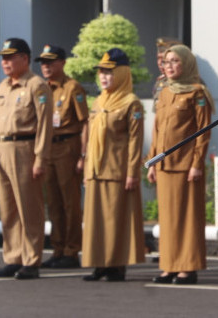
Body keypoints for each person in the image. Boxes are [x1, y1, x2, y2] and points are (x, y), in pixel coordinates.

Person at [147, 44, 213, 285]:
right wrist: (152, 162)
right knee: (167, 219)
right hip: (164, 167)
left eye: (175, 61)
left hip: (186, 166)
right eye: (166, 61)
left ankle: (187, 268)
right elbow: (156, 130)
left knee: (187, 218)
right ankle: (169, 266)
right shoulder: (164, 91)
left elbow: (203, 132)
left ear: (186, 64)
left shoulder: (197, 93)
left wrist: (197, 163)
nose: (169, 66)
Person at [82, 48, 145, 282]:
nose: (104, 77)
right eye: (101, 72)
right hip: (97, 171)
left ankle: (116, 266)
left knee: (116, 221)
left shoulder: (131, 103)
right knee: (96, 221)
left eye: (109, 72)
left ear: (121, 74)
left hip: (117, 171)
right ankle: (99, 264)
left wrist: (132, 173)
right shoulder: (99, 101)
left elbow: (135, 142)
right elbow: (90, 139)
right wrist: (88, 169)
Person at [0, 38, 53, 280]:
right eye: (3, 58)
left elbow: (44, 127)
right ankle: (13, 256)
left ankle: (31, 259)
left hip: (24, 148)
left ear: (24, 58)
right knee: (8, 208)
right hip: (2, 147)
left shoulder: (36, 85)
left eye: (10, 57)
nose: (5, 62)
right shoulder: (3, 87)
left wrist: (40, 158)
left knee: (28, 207)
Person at [36, 44, 89, 269]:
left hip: (68, 147)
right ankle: (57, 249)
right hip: (49, 149)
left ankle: (71, 249)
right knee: (54, 202)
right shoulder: (42, 89)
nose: (46, 67)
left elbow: (84, 122)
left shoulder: (72, 88)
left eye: (51, 62)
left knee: (70, 202)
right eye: (43, 63)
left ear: (63, 63)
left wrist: (83, 156)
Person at [152, 37, 181, 110]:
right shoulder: (160, 81)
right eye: (158, 58)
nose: (160, 63)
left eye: (164, 58)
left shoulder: (189, 83)